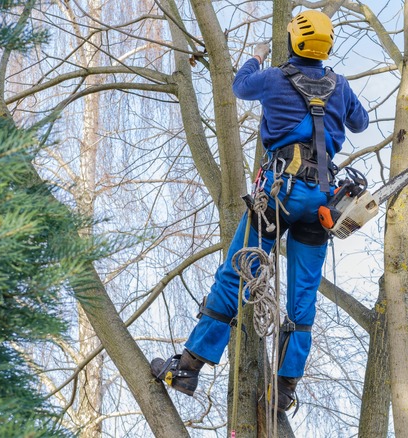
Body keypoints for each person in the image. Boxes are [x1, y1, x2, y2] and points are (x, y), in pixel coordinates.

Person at [150, 10, 369, 412]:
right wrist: (338, 96)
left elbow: (239, 86)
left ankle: (188, 367)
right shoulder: (340, 87)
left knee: (238, 271)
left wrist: (255, 56)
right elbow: (361, 123)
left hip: (280, 192)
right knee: (303, 296)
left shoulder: (273, 78)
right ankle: (284, 388)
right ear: (327, 46)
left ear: (292, 43)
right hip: (322, 200)